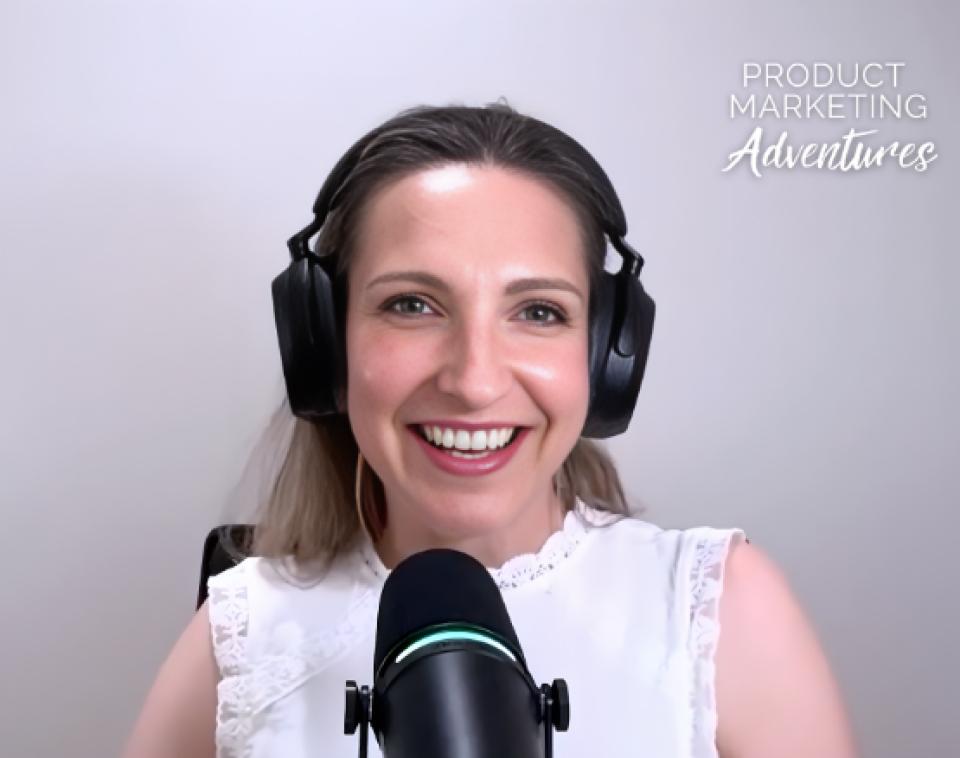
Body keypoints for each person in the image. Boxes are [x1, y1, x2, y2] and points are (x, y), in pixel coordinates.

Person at [122, 102, 859, 758]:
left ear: (605, 357)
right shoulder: (241, 634)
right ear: (325, 343)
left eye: (538, 311)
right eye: (413, 305)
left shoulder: (721, 608)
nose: (475, 381)